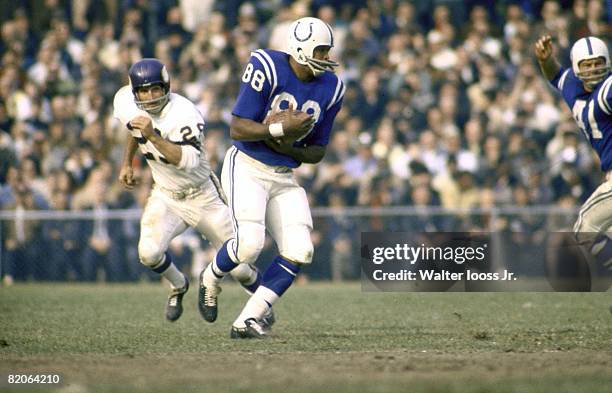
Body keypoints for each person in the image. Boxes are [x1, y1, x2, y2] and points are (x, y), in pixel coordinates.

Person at [198, 17, 345, 338]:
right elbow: (238, 127)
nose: (325, 57)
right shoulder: (267, 65)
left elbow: (317, 152)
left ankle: (246, 320)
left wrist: (289, 144)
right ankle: (210, 277)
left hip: (283, 173)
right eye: (320, 51)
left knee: (301, 249)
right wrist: (279, 130)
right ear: (301, 47)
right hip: (247, 165)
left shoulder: (332, 88)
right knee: (248, 245)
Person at [113, 58, 261, 321]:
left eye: (156, 89)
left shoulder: (184, 113)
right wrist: (127, 162)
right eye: (143, 91)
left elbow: (185, 160)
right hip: (166, 195)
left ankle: (260, 307)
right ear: (134, 92)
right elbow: (132, 129)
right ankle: (179, 285)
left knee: (240, 266)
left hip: (201, 194)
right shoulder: (125, 100)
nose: (149, 96)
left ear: (167, 86)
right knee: (148, 253)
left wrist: (154, 136)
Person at [535, 35, 612, 290]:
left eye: (598, 63)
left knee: (585, 227)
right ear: (577, 67)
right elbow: (556, 75)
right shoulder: (571, 85)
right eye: (587, 65)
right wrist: (546, 60)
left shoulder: (608, 89)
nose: (593, 69)